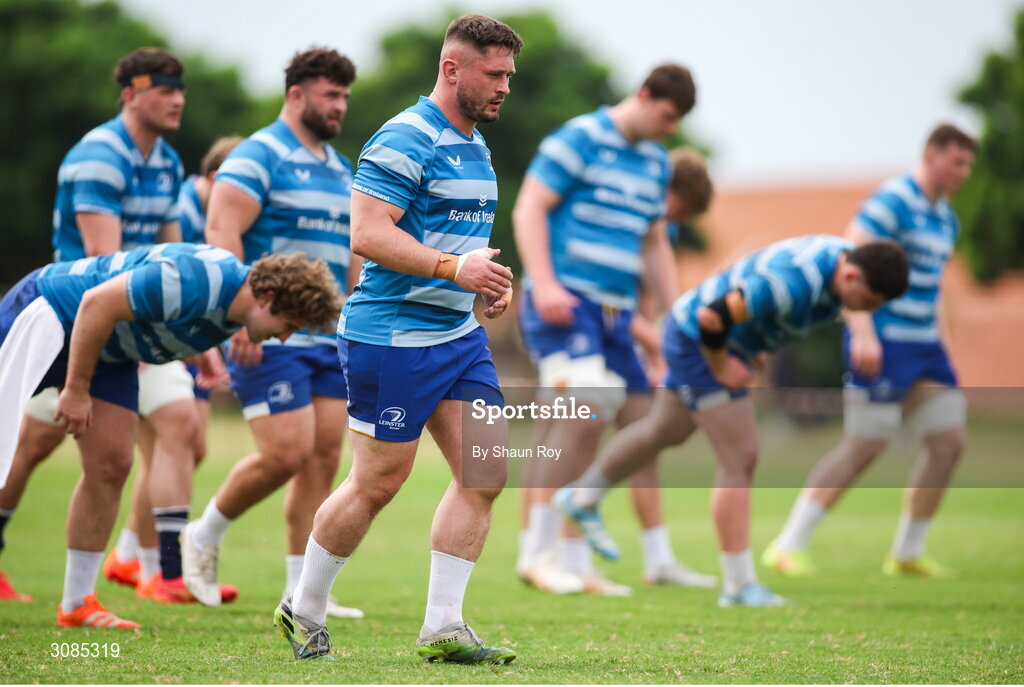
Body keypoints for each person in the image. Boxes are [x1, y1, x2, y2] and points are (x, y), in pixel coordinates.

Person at [273, 14, 521, 663]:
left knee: (485, 469)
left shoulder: (476, 145)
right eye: (494, 74)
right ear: (452, 68)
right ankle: (304, 606)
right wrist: (451, 268)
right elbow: (368, 233)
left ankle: (443, 624)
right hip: (392, 336)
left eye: (508, 76)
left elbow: (454, 246)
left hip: (457, 334)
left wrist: (485, 283)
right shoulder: (406, 136)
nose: (503, 87)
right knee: (379, 480)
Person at [554, 235, 910, 607]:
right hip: (699, 338)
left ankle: (582, 497)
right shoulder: (790, 283)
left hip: (712, 336)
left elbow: (747, 274)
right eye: (868, 303)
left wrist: (753, 348)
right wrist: (723, 362)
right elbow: (714, 316)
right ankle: (739, 585)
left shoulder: (843, 259)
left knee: (665, 431)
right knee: (741, 455)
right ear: (851, 275)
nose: (865, 311)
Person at [0, 244, 341, 628]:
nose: (283, 338)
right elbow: (96, 303)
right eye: (289, 326)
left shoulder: (235, 311)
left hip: (111, 352)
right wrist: (76, 388)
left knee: (112, 464)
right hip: (51, 313)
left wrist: (198, 350)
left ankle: (77, 603)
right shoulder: (195, 277)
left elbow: (166, 321)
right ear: (267, 297)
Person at [0, 47, 196, 603]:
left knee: (120, 455)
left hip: (120, 327)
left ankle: (90, 597)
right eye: (165, 89)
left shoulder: (166, 162)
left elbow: (175, 255)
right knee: (22, 445)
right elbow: (102, 264)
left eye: (182, 89)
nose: (178, 99)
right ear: (131, 94)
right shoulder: (99, 156)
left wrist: (193, 326)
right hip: (65, 319)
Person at [512, 68, 714, 595]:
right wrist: (547, 282)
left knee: (638, 425)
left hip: (615, 315)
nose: (671, 129)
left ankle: (577, 563)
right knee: (585, 412)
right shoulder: (579, 138)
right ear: (644, 96)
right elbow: (529, 206)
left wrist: (677, 318)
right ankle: (537, 555)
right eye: (668, 116)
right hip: (563, 305)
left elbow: (653, 244)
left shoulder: (653, 163)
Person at [180, 47, 362, 618]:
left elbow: (351, 251)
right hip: (269, 331)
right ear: (296, 94)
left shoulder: (340, 168)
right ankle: (203, 534)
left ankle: (302, 591)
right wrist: (238, 317)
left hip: (330, 336)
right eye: (330, 95)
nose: (339, 107)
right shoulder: (258, 154)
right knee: (287, 451)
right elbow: (221, 230)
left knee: (323, 459)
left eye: (344, 98)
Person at [763, 125, 976, 579]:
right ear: (933, 155)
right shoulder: (893, 200)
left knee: (949, 440)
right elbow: (852, 261)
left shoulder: (946, 219)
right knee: (864, 446)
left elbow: (934, 289)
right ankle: (787, 544)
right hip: (884, 342)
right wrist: (862, 331)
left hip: (926, 347)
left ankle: (907, 552)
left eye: (968, 163)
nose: (965, 171)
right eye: (958, 161)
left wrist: (947, 347)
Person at [104, 136, 246, 605]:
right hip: (144, 338)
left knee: (184, 446)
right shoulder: (183, 209)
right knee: (178, 436)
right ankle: (158, 568)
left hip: (179, 344)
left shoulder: (208, 209)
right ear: (215, 178)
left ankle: (132, 555)